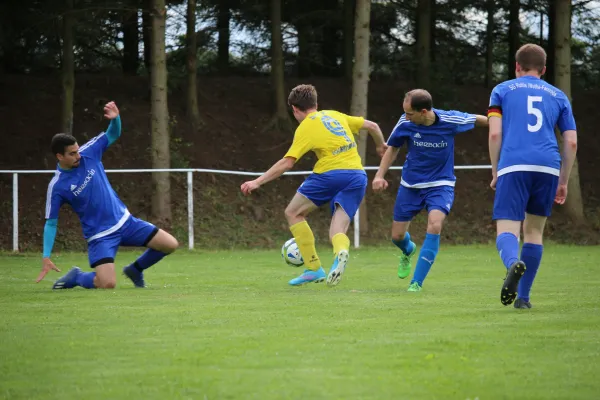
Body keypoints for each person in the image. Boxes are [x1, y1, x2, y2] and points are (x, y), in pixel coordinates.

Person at [240, 84, 387, 287]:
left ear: (294, 109)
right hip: (357, 175)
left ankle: (313, 268)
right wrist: (380, 145)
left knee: (293, 213)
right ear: (316, 104)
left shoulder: (306, 126)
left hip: (329, 174)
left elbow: (287, 162)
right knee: (338, 229)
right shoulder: (335, 115)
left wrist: (257, 181)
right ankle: (341, 251)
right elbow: (373, 127)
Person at [36, 102, 179, 289]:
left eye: (77, 150)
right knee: (107, 284)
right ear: (59, 157)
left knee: (170, 244)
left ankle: (135, 269)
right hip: (100, 236)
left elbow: (113, 133)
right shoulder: (57, 186)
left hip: (126, 222)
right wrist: (46, 255)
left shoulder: (89, 153)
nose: (78, 156)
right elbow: (51, 222)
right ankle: (78, 277)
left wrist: (115, 119)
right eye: (72, 154)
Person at [488, 44, 577, 308]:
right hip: (548, 166)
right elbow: (570, 142)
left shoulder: (502, 90)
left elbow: (494, 134)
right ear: (544, 69)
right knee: (534, 232)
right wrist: (563, 180)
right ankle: (524, 299)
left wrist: (496, 170)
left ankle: (513, 263)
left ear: (517, 66)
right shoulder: (559, 95)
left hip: (514, 164)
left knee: (507, 229)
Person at [373, 89, 488, 292]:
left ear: (424, 111)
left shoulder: (450, 120)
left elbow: (483, 120)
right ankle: (408, 251)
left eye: (410, 113)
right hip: (411, 186)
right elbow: (392, 148)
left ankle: (416, 283)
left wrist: (509, 122)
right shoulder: (405, 123)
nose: (405, 117)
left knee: (435, 226)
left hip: (440, 185)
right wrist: (379, 175)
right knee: (397, 237)